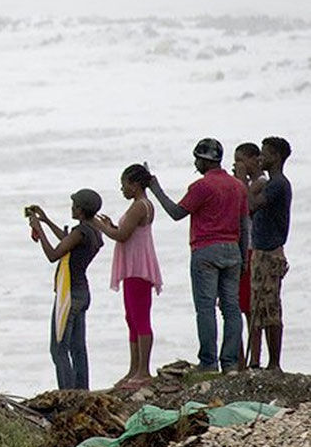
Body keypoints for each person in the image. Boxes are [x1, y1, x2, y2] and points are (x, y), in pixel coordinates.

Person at [147, 138, 246, 372]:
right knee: (232, 308)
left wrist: (155, 189)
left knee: (206, 308)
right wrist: (244, 258)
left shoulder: (202, 186)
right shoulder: (238, 186)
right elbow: (245, 224)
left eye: (197, 159)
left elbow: (176, 213)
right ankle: (230, 363)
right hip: (233, 250)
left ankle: (209, 362)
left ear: (205, 160)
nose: (195, 164)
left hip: (206, 250)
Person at [94, 165, 163, 390]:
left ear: (134, 185)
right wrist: (111, 226)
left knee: (140, 318)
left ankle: (143, 371)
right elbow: (126, 232)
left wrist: (98, 225)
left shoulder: (140, 206)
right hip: (134, 266)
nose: (122, 189)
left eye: (124, 184)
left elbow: (122, 236)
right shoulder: (141, 205)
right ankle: (134, 368)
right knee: (131, 318)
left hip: (137, 267)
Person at [27, 190, 103, 391]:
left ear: (80, 210)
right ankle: (82, 392)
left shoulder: (81, 232)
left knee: (59, 348)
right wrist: (46, 221)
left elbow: (53, 254)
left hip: (69, 294)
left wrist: (39, 230)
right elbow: (67, 240)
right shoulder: (93, 231)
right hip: (82, 292)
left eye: (74, 206)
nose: (72, 208)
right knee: (78, 348)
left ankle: (67, 394)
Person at [248, 136, 293, 372]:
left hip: (270, 253)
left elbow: (252, 205)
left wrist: (244, 182)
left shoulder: (278, 184)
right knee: (260, 308)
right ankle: (266, 362)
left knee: (270, 308)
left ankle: (274, 363)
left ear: (276, 156)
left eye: (264, 153)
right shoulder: (272, 184)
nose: (260, 157)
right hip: (262, 251)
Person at [232, 142, 264, 365]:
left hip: (253, 248)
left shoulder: (261, 182)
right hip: (240, 247)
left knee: (251, 307)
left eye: (241, 160)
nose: (237, 165)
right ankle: (240, 358)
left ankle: (254, 358)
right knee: (236, 304)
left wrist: (241, 178)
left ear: (254, 159)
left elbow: (245, 203)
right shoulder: (243, 183)